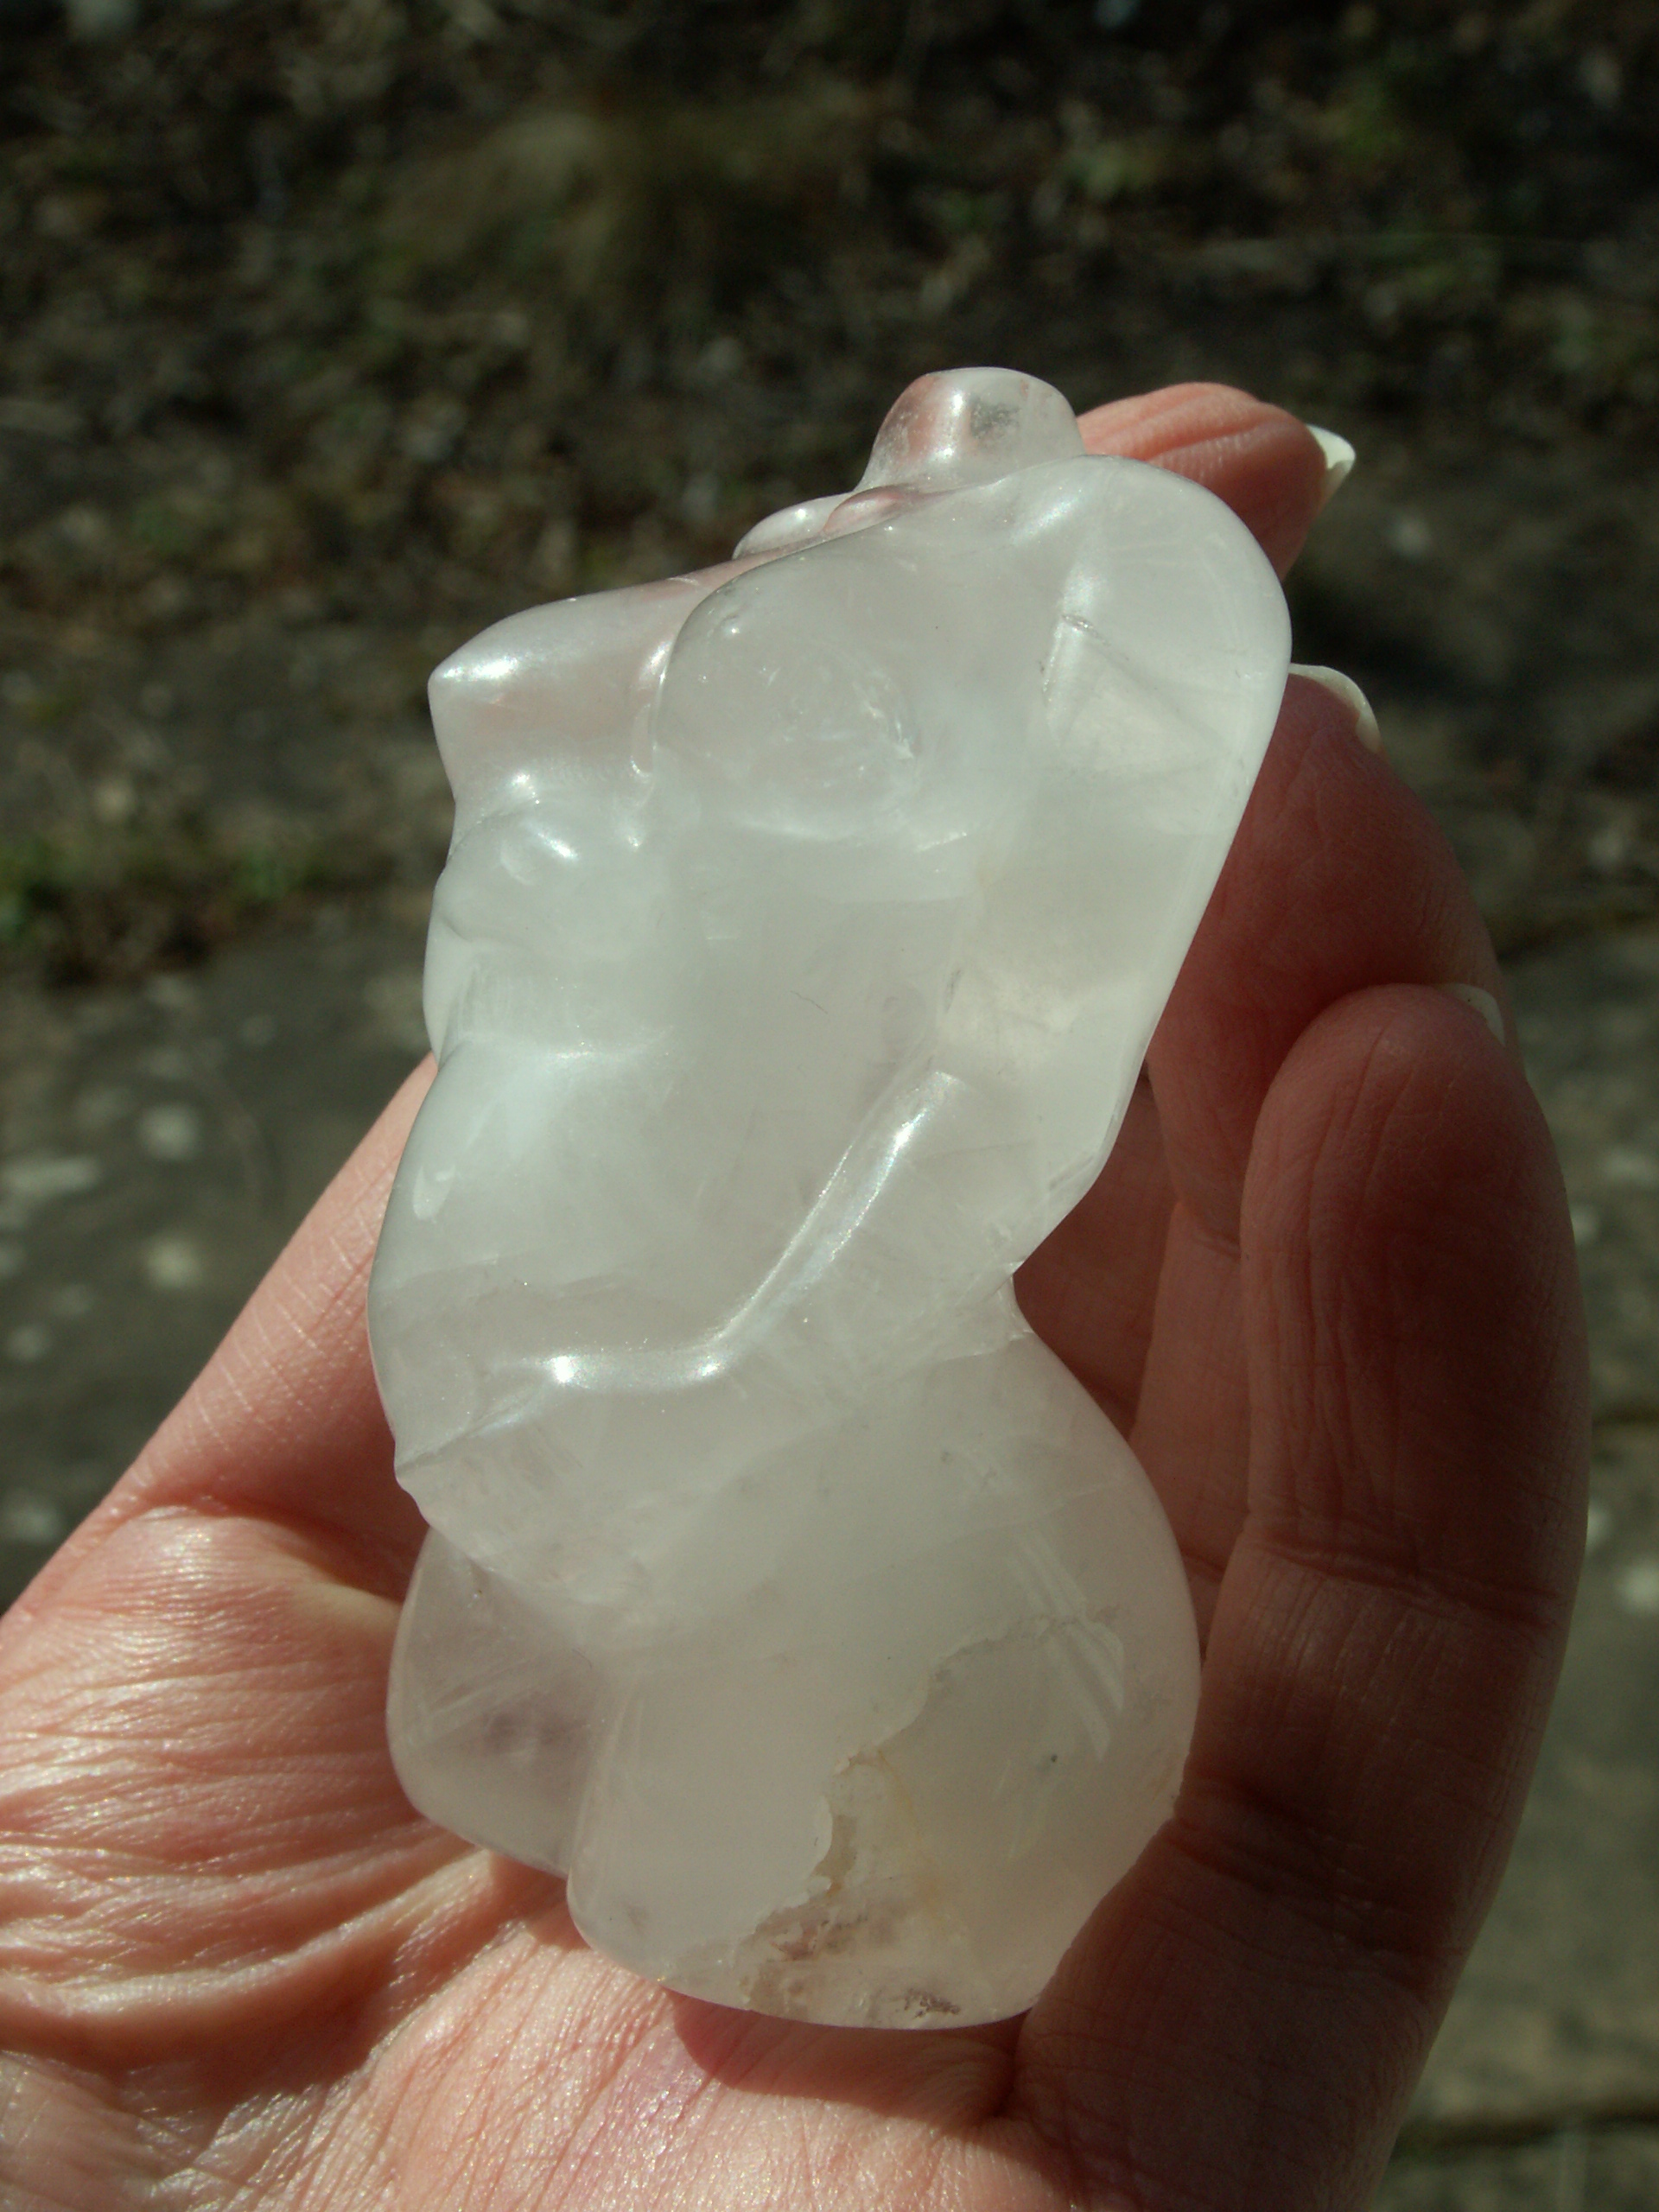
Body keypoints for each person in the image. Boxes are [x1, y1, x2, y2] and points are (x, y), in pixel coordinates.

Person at [0, 383, 1587, 2210]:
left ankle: (798, 1710)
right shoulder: (770, 654)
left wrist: (746, 1379)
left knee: (733, 1795)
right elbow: (520, 735)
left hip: (797, 1480)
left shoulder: (1093, 597)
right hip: (571, 1439)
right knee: (501, 1735)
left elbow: (1006, 1089)